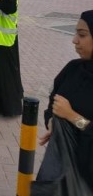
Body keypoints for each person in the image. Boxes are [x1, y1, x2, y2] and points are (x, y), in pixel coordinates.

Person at [37, 10, 93, 190]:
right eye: (76, 33)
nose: (74, 40)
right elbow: (54, 104)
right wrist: (52, 122)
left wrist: (72, 117)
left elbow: (68, 113)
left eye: (82, 35)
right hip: (59, 168)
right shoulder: (73, 69)